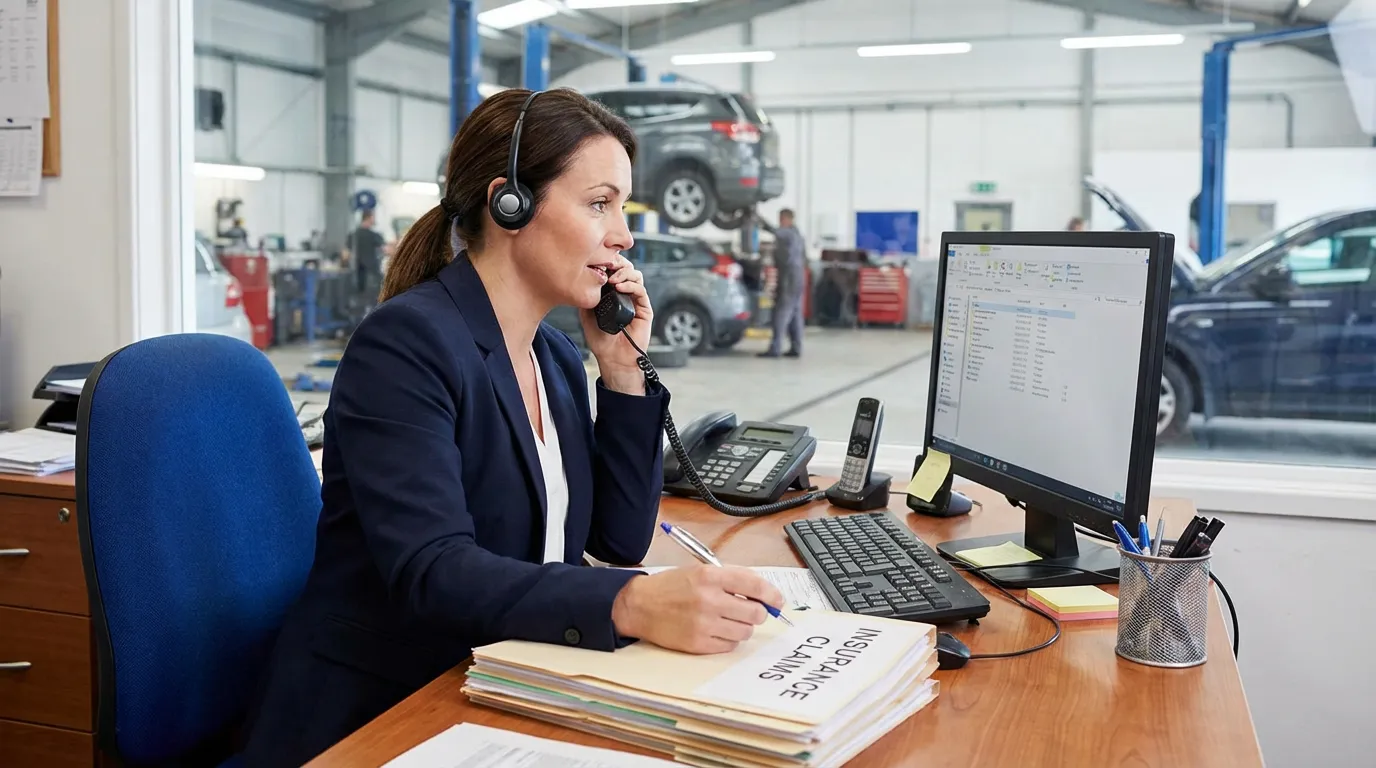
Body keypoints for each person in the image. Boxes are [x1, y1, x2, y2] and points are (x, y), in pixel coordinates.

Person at [239, 88, 784, 768]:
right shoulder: (405, 345)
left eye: (622, 206)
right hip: (378, 712)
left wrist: (621, 370)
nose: (623, 234)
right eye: (599, 203)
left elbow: (615, 539)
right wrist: (634, 604)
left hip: (498, 681)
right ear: (510, 205)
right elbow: (434, 571)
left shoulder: (553, 356)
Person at [756, 208, 806, 358]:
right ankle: (796, 347)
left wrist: (758, 218)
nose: (780, 222)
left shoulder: (788, 232)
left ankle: (775, 348)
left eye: (781, 219)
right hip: (798, 275)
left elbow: (774, 231)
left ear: (787, 219)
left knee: (782, 311)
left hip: (789, 276)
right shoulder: (798, 235)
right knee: (796, 313)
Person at [349, 208, 386, 304]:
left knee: (361, 299)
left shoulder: (354, 234)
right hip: (372, 272)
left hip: (358, 272)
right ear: (369, 218)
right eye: (373, 217)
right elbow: (385, 249)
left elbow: (346, 253)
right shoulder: (373, 235)